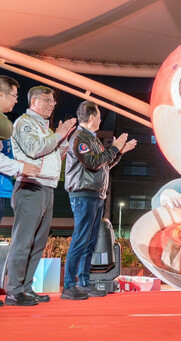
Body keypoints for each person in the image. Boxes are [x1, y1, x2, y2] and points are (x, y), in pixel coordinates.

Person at [5, 86, 76, 306]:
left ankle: (26, 288)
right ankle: (14, 291)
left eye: (53, 101)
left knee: (37, 242)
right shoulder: (24, 122)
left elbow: (52, 156)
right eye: (47, 100)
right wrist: (58, 135)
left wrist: (62, 142)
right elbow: (35, 149)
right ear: (34, 101)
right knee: (23, 240)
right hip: (30, 186)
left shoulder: (45, 127)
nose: (52, 104)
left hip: (46, 187)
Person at [62, 101, 136, 300]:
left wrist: (120, 151)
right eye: (99, 116)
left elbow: (103, 164)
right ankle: (69, 285)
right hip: (83, 193)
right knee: (81, 238)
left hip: (95, 194)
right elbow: (93, 162)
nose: (101, 120)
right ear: (92, 117)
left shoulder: (91, 139)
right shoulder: (80, 138)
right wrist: (115, 148)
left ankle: (84, 282)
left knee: (90, 241)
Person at [0, 76, 41, 308]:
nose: (16, 100)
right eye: (14, 95)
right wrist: (20, 167)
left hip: (4, 188)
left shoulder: (5, 123)